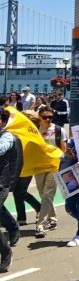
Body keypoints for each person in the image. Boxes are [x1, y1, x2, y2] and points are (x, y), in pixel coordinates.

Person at [33, 105, 66, 239]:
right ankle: (52, 219)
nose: (47, 119)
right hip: (39, 165)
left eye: (50, 117)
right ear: (39, 117)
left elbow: (63, 148)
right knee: (43, 194)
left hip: (54, 165)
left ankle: (40, 224)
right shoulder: (34, 130)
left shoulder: (59, 130)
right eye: (44, 117)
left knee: (48, 194)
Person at [0, 109, 23, 271]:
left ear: (3, 122)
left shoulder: (7, 137)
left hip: (1, 183)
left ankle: (5, 252)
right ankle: (13, 227)